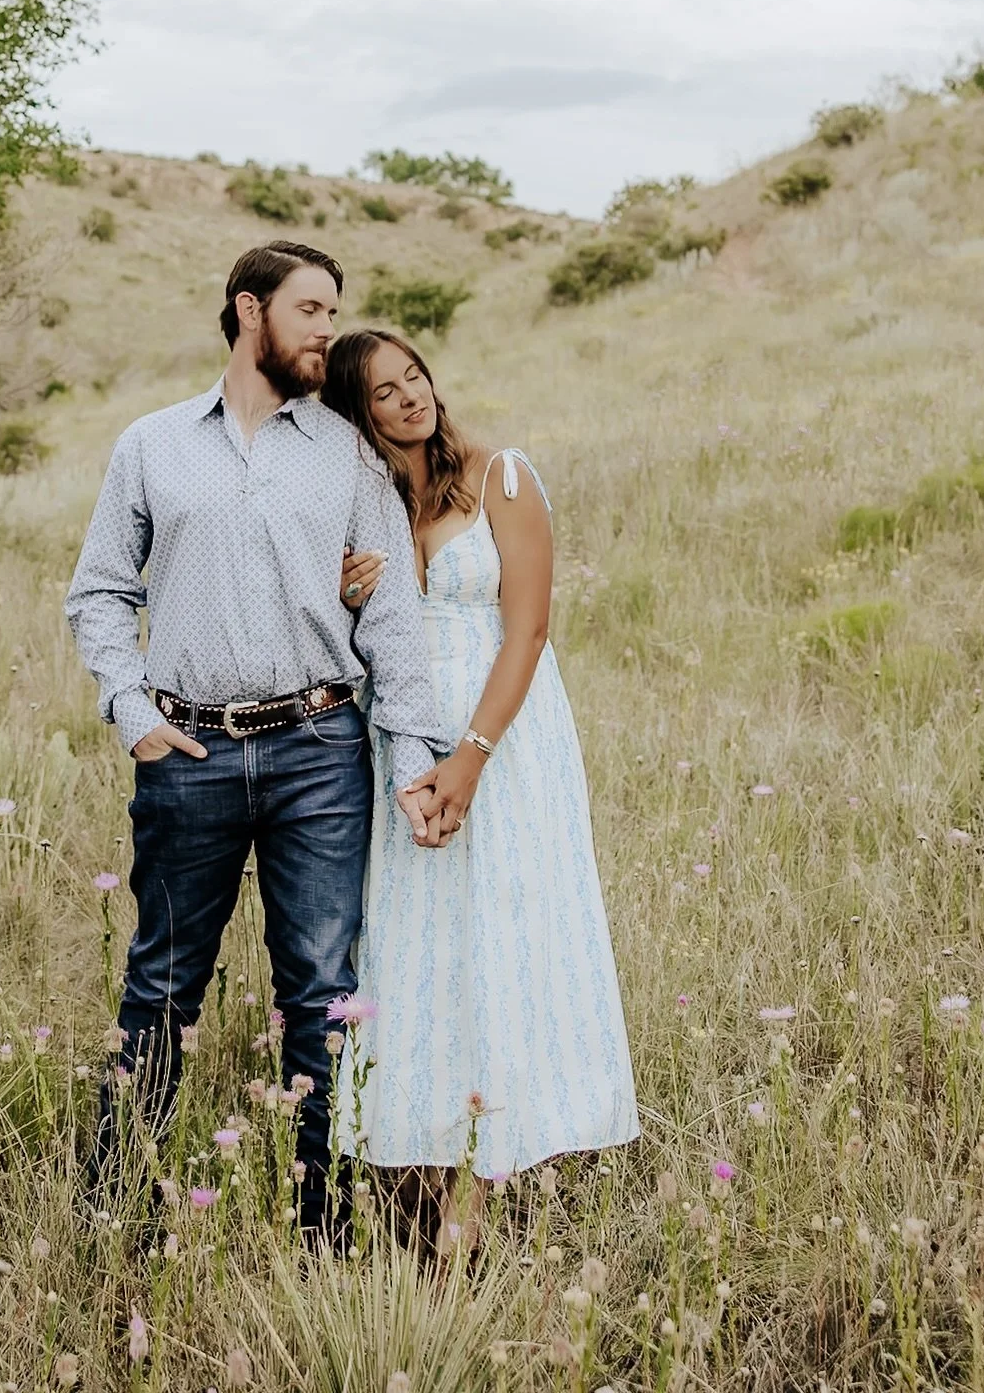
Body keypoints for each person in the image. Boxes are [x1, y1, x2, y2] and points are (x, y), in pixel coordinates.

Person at [64, 242, 447, 1231]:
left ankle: (322, 1222)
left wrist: (414, 755)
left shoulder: (348, 454)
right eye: (312, 310)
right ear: (250, 311)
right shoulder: (151, 445)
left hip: (319, 750)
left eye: (333, 311)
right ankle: (117, 1216)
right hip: (186, 752)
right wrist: (132, 713)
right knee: (160, 986)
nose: (330, 331)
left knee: (324, 991)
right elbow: (101, 589)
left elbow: (393, 615)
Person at [322, 329, 638, 1240]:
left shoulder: (501, 476)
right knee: (414, 947)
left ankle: (483, 1179)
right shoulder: (367, 508)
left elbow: (529, 631)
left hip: (504, 740)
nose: (410, 398)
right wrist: (348, 599)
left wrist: (471, 756)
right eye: (384, 392)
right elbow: (360, 649)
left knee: (501, 938)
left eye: (413, 376)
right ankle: (410, 1156)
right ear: (359, 411)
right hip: (405, 742)